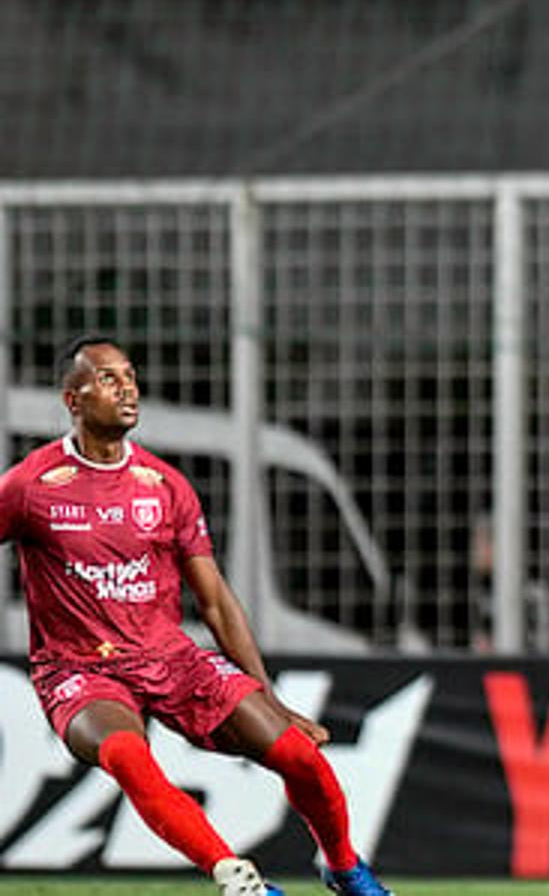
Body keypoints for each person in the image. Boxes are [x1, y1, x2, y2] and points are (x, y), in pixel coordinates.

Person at [0, 336, 393, 896]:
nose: (127, 389)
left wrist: (269, 695)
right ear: (74, 400)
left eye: (130, 377)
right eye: (108, 379)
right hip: (79, 670)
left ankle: (343, 867)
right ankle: (236, 879)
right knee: (127, 753)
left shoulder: (165, 486)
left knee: (299, 757)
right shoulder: (29, 486)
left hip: (170, 658)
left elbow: (213, 600)